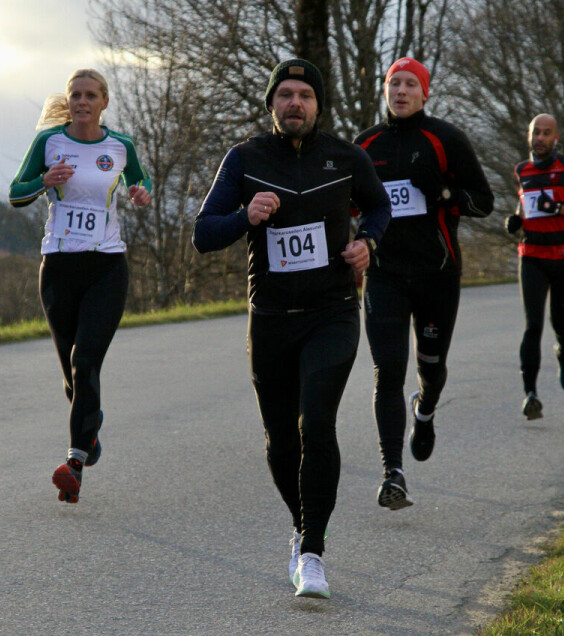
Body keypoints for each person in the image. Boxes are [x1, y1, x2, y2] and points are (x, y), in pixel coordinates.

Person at [191, 59, 390, 599]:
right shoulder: (245, 159)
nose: (295, 103)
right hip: (272, 319)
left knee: (317, 424)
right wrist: (246, 217)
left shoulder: (346, 158)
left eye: (304, 94)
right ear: (271, 103)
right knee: (281, 442)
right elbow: (203, 234)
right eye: (285, 94)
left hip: (333, 312)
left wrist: (367, 242)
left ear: (318, 105)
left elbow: (379, 207)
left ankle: (313, 554)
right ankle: (301, 526)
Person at [353, 58, 494, 511]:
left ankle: (426, 408)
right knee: (387, 370)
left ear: (425, 93)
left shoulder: (446, 139)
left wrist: (443, 192)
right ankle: (392, 472)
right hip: (384, 275)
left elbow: (483, 204)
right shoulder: (366, 144)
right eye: (394, 83)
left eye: (410, 84)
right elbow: (346, 208)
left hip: (437, 273)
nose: (401, 91)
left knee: (430, 367)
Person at [8, 69, 152, 504]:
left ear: (104, 102)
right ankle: (89, 426)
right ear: (68, 101)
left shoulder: (120, 145)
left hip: (107, 266)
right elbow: (16, 192)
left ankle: (73, 464)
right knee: (73, 375)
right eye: (75, 95)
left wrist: (141, 192)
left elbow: (139, 179)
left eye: (90, 95)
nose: (82, 101)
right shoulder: (49, 144)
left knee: (85, 359)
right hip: (58, 267)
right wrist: (43, 182)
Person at [505, 114, 564, 420]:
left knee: (559, 322)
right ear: (529, 136)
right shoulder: (522, 170)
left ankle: (563, 349)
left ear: (556, 138)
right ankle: (530, 393)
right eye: (536, 133)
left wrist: (558, 208)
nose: (540, 138)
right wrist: (516, 220)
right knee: (533, 326)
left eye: (547, 133)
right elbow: (525, 207)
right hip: (532, 256)